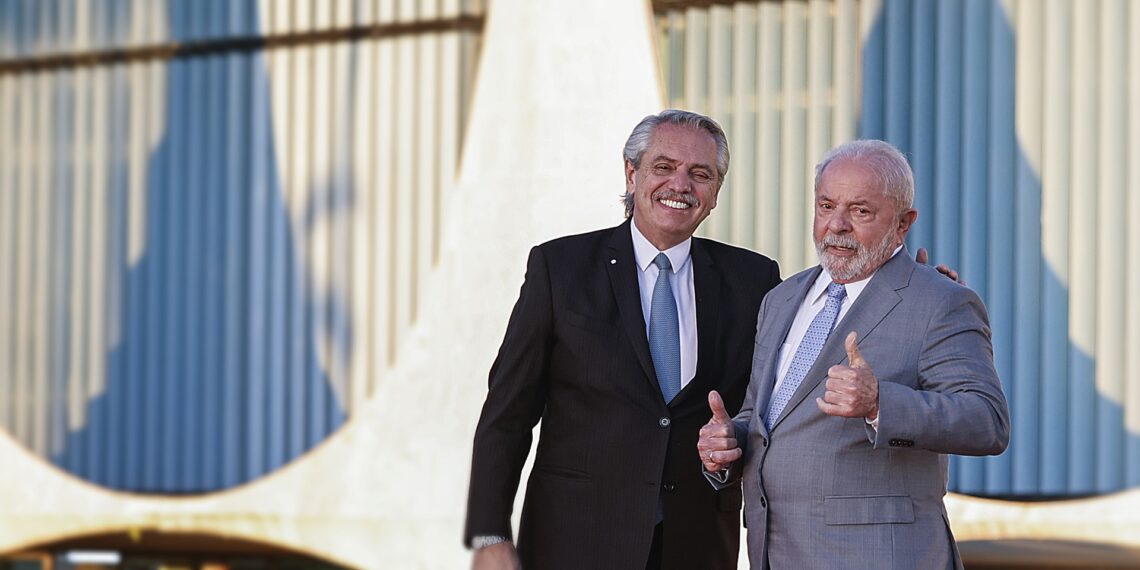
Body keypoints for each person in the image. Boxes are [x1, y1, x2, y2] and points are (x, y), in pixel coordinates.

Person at [463, 110, 782, 569]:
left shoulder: (754, 279)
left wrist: (908, 290)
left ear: (714, 193)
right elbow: (507, 414)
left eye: (700, 174)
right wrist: (489, 532)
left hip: (696, 545)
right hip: (573, 542)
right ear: (632, 175)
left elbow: (784, 388)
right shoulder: (561, 268)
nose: (680, 185)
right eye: (664, 167)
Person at [697, 139, 1010, 569]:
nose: (837, 225)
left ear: (903, 224)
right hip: (778, 553)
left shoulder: (941, 301)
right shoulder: (782, 299)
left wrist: (880, 403)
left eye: (860, 211)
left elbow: (987, 422)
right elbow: (766, 421)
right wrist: (728, 442)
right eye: (826, 206)